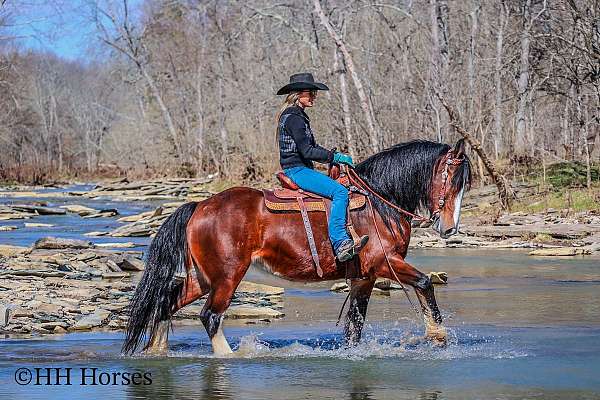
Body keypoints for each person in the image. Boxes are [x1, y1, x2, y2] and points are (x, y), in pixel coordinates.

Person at [276, 72, 368, 262]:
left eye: (313, 93)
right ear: (298, 94)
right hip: (298, 170)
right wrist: (335, 157)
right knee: (340, 192)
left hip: (301, 168)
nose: (313, 97)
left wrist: (333, 157)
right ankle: (340, 242)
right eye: (310, 93)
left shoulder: (297, 115)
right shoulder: (294, 118)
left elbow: (313, 147)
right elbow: (307, 151)